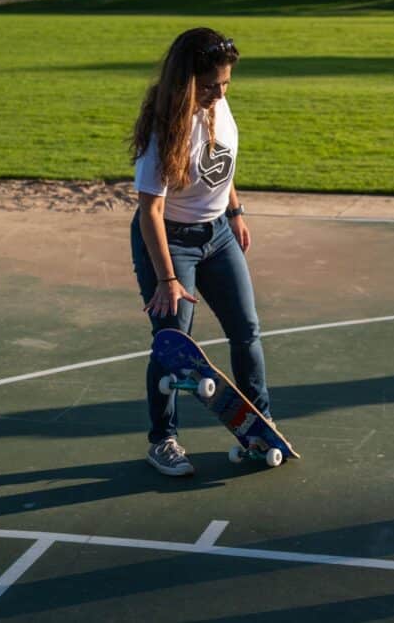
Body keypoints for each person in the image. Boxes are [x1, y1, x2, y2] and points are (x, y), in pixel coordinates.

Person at [129, 27, 271, 477]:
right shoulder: (163, 129)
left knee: (246, 330)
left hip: (218, 235)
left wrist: (235, 211)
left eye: (226, 83)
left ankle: (260, 428)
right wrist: (167, 278)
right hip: (170, 240)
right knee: (174, 345)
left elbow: (220, 164)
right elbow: (150, 209)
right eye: (210, 85)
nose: (219, 92)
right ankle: (163, 439)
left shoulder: (217, 103)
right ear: (186, 80)